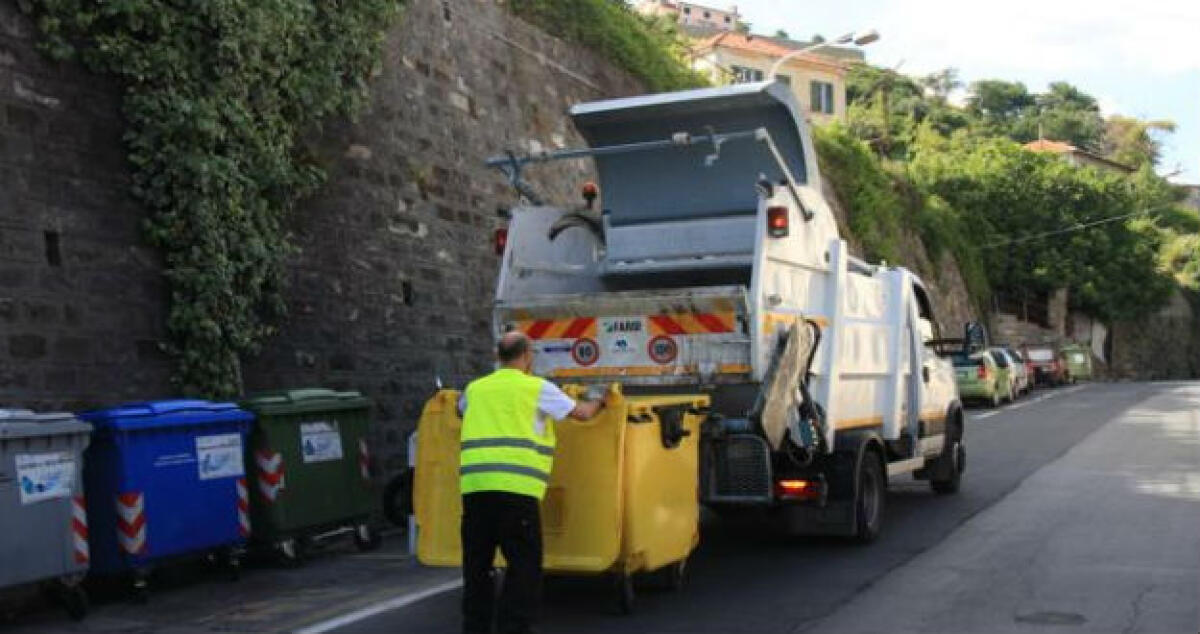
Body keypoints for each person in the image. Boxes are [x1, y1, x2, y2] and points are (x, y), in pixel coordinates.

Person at [458, 331, 605, 634]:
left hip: (475, 489)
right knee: (523, 565)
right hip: (516, 490)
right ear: (527, 356)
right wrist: (599, 397)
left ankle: (475, 627)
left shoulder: (474, 389)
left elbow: (459, 410)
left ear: (498, 357)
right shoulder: (537, 388)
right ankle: (514, 627)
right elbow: (582, 414)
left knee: (477, 566)